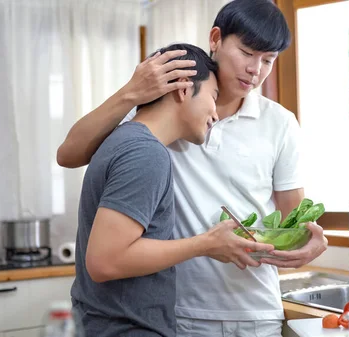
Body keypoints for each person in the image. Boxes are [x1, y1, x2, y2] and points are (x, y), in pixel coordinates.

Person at [58, 1, 329, 336]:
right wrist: (131, 92)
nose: (255, 70)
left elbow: (294, 218)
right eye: (247, 53)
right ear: (215, 38)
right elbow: (68, 154)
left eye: (268, 60)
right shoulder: (171, 107)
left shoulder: (280, 124)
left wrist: (310, 240)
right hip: (180, 311)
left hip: (256, 310)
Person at [69, 43, 275, 337]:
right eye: (213, 97)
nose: (215, 114)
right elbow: (105, 261)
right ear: (183, 90)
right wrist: (205, 244)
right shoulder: (145, 153)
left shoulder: (123, 139)